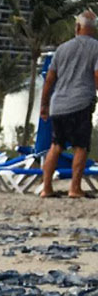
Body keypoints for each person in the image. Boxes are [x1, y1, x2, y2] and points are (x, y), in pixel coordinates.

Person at [40, 11, 98, 199]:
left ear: (77, 27)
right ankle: (75, 188)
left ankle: (46, 188)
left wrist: (44, 105)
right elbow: (97, 75)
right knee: (80, 147)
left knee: (56, 145)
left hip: (58, 104)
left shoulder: (62, 49)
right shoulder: (96, 48)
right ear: (94, 29)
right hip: (81, 102)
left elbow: (49, 79)